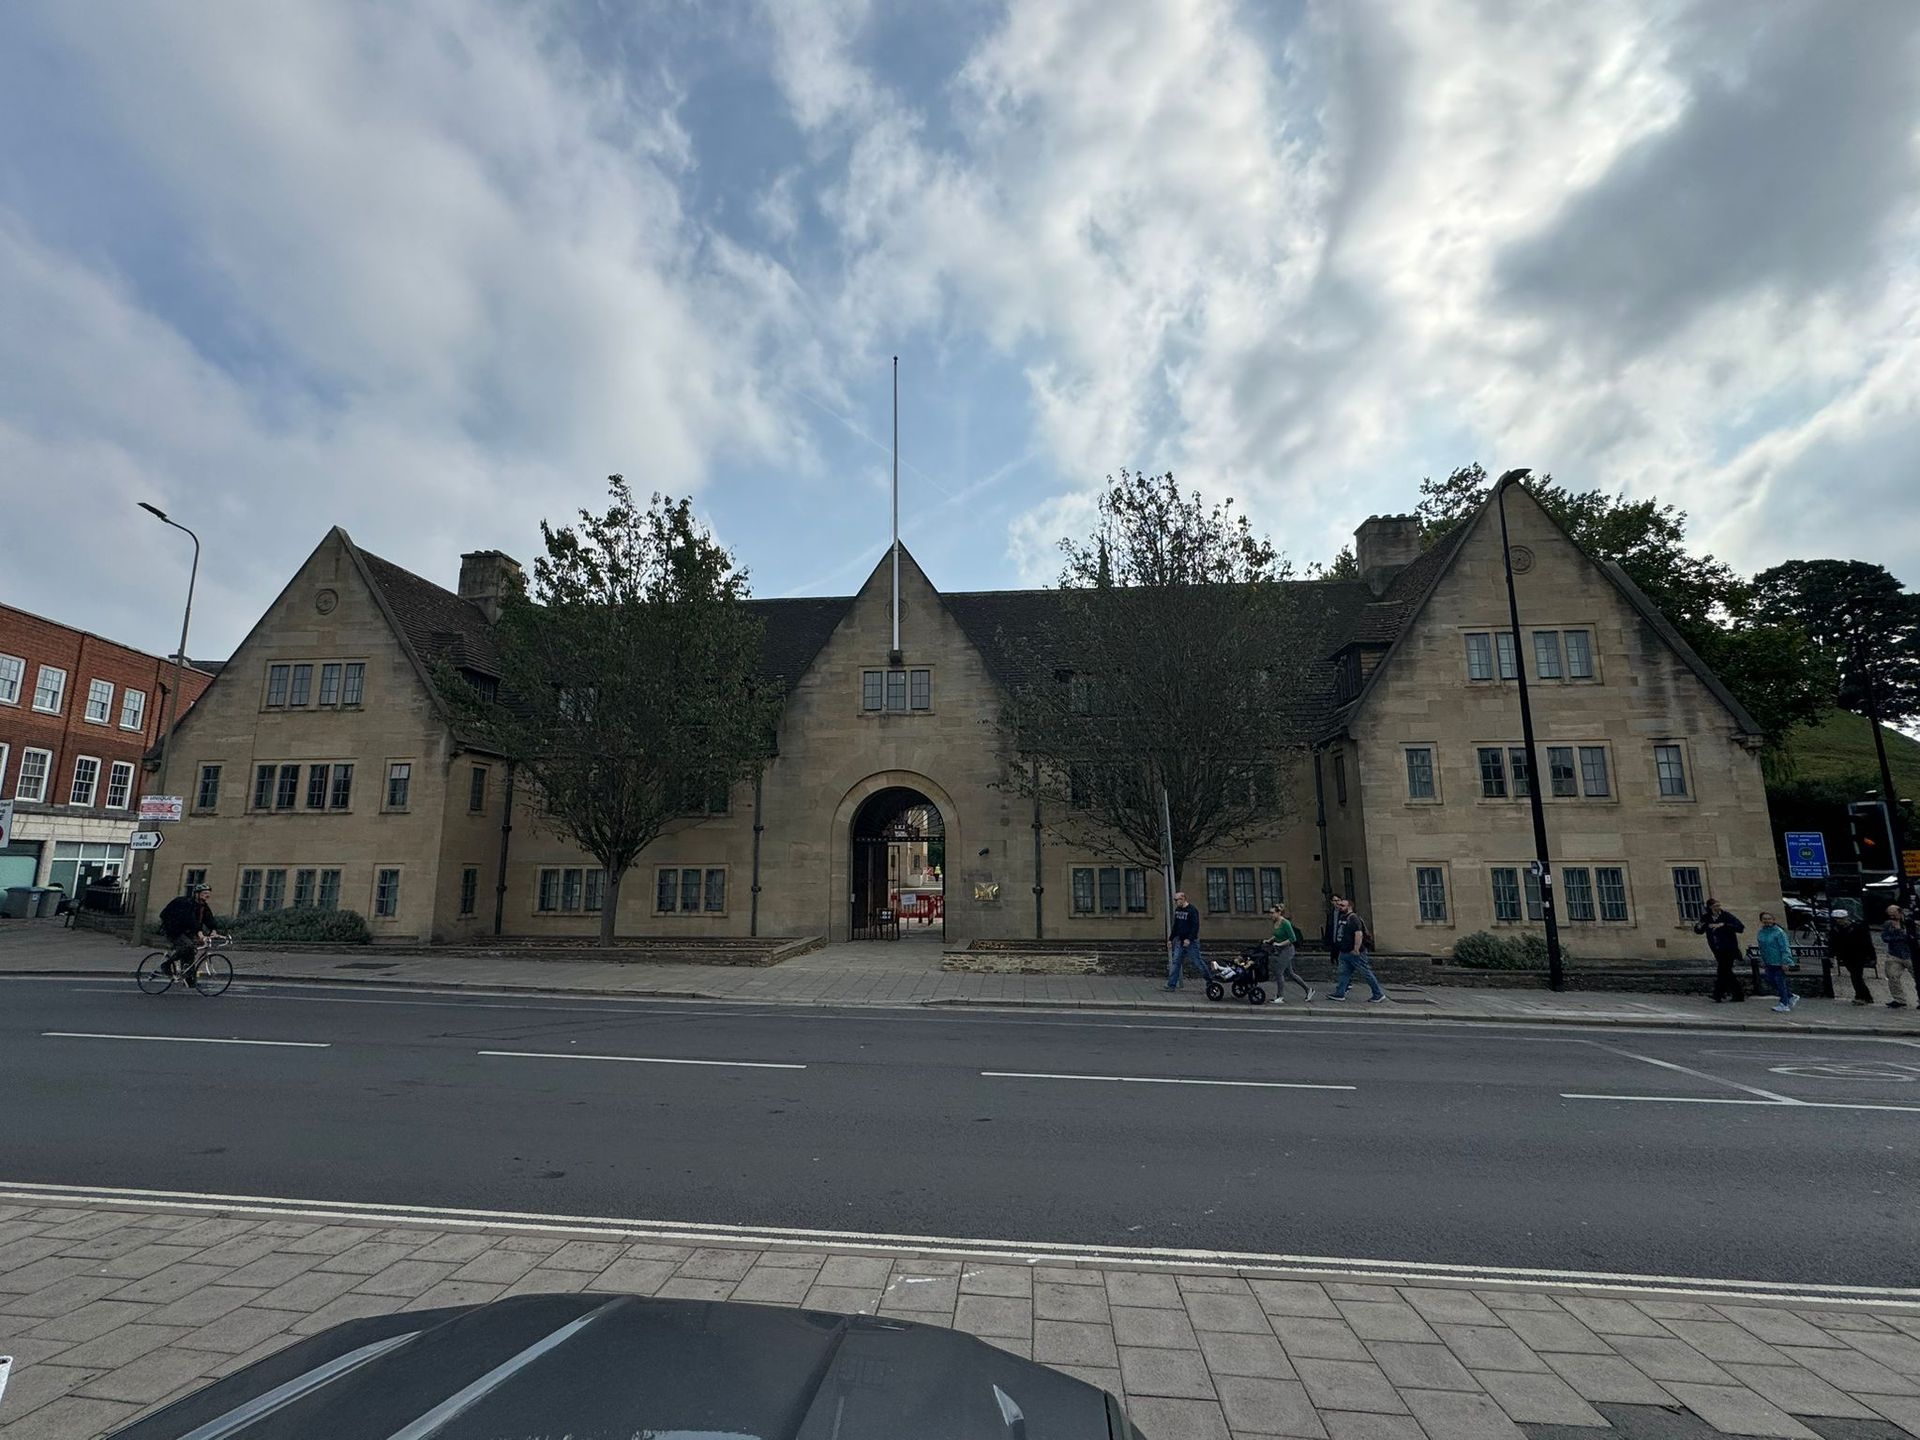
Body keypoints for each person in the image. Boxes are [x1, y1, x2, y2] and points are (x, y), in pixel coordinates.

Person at [1327, 895, 1385, 1003]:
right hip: (1344, 951)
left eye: (1342, 905)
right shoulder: (1342, 917)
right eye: (1339, 905)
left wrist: (1356, 948)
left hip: (1354, 952)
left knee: (1365, 972)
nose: (1339, 907)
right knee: (1344, 973)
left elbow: (1358, 934)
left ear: (1349, 907)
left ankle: (1378, 994)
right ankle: (1340, 993)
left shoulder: (1353, 918)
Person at [158, 883, 216, 988]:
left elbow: (209, 919)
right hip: (174, 930)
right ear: (197, 894)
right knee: (188, 946)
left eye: (208, 893)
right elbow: (190, 920)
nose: (207, 895)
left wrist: (214, 930)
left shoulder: (203, 906)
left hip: (186, 931)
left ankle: (189, 980)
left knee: (191, 952)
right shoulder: (187, 904)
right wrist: (199, 932)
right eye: (204, 893)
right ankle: (166, 965)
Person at [1695, 899, 1747, 1002]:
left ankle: (1718, 994)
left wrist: (1723, 925)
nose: (1718, 908)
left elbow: (1740, 927)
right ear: (1710, 907)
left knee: (1723, 970)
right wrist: (1699, 926)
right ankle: (1735, 994)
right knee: (1726, 972)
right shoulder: (1706, 917)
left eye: (1719, 906)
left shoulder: (1726, 916)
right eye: (1715, 906)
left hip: (1729, 948)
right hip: (1717, 948)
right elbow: (1699, 930)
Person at [1267, 904, 1312, 1004]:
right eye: (1270, 913)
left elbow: (1292, 938)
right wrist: (1269, 940)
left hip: (1287, 950)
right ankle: (1308, 989)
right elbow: (1277, 935)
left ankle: (1280, 996)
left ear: (1279, 913)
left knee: (1279, 972)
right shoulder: (1275, 922)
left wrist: (1279, 944)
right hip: (1280, 950)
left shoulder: (1285, 923)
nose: (1270, 915)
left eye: (1272, 913)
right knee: (1290, 973)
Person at [1830, 910, 1877, 1005]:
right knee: (1855, 976)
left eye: (1840, 919)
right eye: (1836, 919)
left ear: (1846, 918)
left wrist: (1872, 957)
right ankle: (1865, 996)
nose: (1838, 921)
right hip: (1846, 956)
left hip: (1859, 955)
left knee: (1856, 976)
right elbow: (1833, 943)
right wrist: (1833, 954)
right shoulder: (1835, 929)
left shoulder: (1857, 928)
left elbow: (1867, 943)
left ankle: (1862, 996)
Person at [1755, 911, 1798, 1013]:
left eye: (1769, 919)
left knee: (1780, 982)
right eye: (1764, 919)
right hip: (1769, 961)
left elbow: (1785, 947)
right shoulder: (1761, 932)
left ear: (1773, 920)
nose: (1767, 921)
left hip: (1779, 961)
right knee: (1770, 980)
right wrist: (1763, 960)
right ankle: (1790, 996)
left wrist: (1785, 962)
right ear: (1761, 920)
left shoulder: (1779, 932)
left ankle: (1784, 1004)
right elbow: (1762, 947)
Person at [1166, 890, 1203, 990]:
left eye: (1177, 900)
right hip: (1180, 940)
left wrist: (1189, 939)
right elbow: (1176, 926)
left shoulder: (1192, 910)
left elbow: (1195, 926)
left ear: (1183, 899)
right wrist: (1170, 939)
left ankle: (1209, 980)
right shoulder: (1178, 910)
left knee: (1198, 962)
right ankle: (1171, 985)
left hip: (1191, 942)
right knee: (1176, 962)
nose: (1176, 902)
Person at [1882, 905, 1914, 1010]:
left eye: (1894, 915)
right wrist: (1900, 935)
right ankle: (1899, 999)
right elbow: (1885, 938)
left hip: (1910, 954)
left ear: (1900, 913)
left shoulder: (1909, 922)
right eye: (1890, 915)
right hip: (1894, 954)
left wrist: (1900, 933)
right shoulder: (1888, 924)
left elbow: (1912, 937)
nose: (1892, 917)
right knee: (1892, 976)